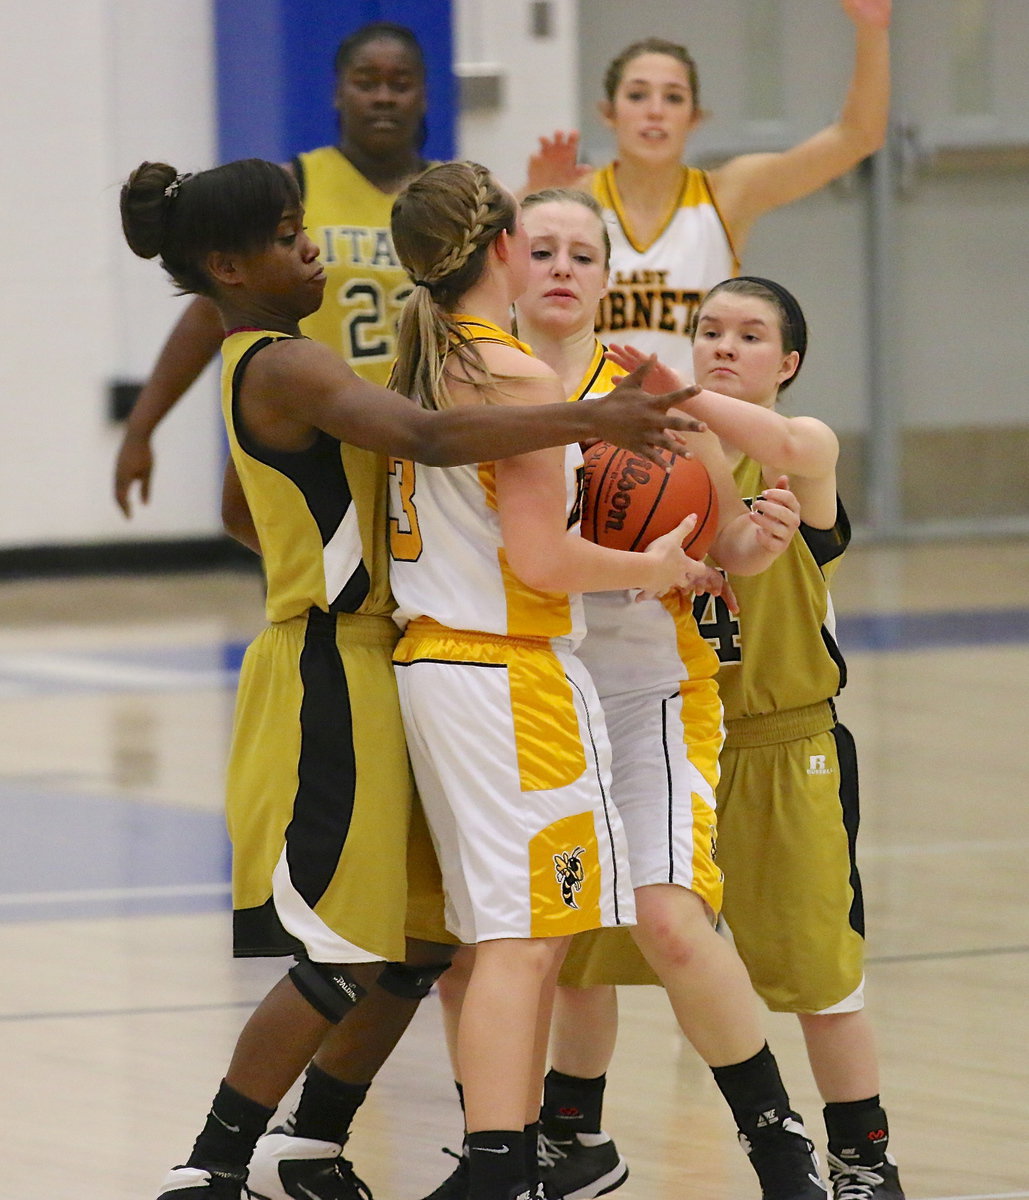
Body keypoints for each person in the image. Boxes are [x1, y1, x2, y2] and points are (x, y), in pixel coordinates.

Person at [118, 156, 701, 1200]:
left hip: (382, 657)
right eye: (291, 236)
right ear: (226, 263)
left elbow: (239, 512)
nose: (311, 251)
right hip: (326, 671)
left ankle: (310, 1142)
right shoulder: (283, 363)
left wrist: (330, 550)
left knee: (421, 940)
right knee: (344, 951)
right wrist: (590, 419)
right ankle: (208, 1164)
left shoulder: (299, 362)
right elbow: (429, 438)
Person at [417, 188, 836, 1200]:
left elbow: (723, 538)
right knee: (520, 948)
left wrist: (753, 542)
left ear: (609, 280)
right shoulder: (464, 381)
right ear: (512, 263)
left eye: (584, 255)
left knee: (667, 919)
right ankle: (525, 1154)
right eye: (545, 249)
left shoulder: (652, 393)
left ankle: (783, 1151)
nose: (563, 268)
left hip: (649, 687)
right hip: (527, 690)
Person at [542, 277, 905, 1200]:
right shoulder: (651, 457)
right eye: (709, 332)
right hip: (658, 725)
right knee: (585, 957)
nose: (724, 348)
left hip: (782, 745)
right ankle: (571, 1135)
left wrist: (667, 386)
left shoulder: (800, 451)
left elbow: (783, 442)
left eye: (749, 336)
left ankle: (863, 1164)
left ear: (786, 363)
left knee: (818, 974)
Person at [384, 161, 704, 1200]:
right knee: (529, 945)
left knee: (497, 944)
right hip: (509, 674)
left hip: (437, 662)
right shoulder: (516, 377)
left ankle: (504, 1162)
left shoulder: (425, 365)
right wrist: (654, 570)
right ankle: (496, 1169)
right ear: (504, 253)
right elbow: (546, 562)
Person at [114, 21, 433, 517]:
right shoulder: (292, 185)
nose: (384, 98)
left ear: (425, 95)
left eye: (401, 83)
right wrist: (141, 428)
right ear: (337, 94)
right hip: (319, 437)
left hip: (420, 440)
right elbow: (206, 314)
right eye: (366, 82)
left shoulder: (450, 195)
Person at [525, 0, 891, 380]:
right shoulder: (575, 202)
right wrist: (532, 192)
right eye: (637, 95)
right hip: (591, 424)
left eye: (673, 97)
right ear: (608, 112)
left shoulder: (728, 194)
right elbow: (494, 269)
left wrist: (872, 30)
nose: (655, 111)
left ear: (695, 117)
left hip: (691, 425)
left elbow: (857, 137)